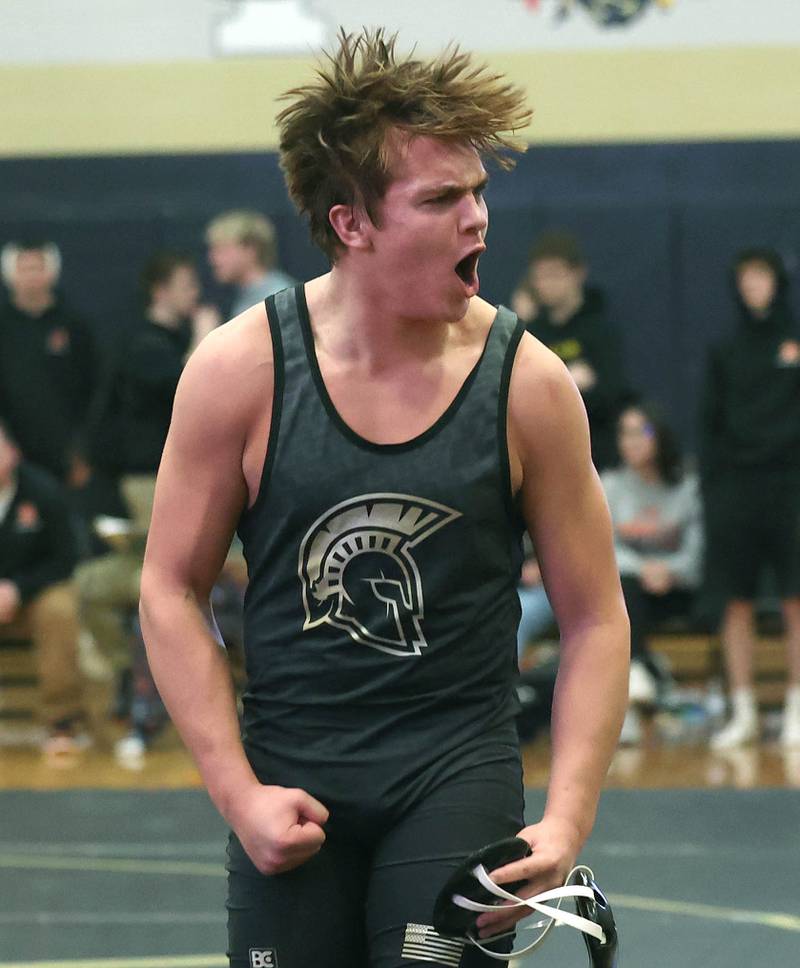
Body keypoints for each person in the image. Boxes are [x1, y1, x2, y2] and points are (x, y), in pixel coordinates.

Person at [140, 30, 629, 967]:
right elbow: (167, 589)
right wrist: (237, 793)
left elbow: (596, 617)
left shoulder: (525, 384)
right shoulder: (241, 373)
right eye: (442, 198)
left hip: (457, 768)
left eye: (479, 192)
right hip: (294, 772)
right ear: (351, 224)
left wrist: (567, 819)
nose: (479, 219)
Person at [77, 252, 219, 749]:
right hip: (148, 481)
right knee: (155, 583)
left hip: (178, 477)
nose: (193, 294)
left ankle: (162, 688)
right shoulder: (145, 343)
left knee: (189, 586)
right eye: (185, 285)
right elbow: (195, 381)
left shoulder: (170, 340)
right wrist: (206, 332)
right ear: (160, 290)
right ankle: (138, 686)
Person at [701, 247, 800, 749]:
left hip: (791, 488)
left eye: (761, 276)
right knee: (736, 602)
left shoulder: (795, 340)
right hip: (738, 490)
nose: (753, 285)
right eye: (745, 278)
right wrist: (717, 491)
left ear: (777, 281)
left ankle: (797, 709)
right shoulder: (726, 348)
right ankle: (742, 710)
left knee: (794, 599)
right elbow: (710, 425)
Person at [603, 403, 703, 743]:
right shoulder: (610, 486)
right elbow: (603, 550)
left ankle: (647, 671)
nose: (630, 441)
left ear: (660, 437)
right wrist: (645, 568)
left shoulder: (687, 485)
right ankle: (633, 692)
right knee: (622, 590)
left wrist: (669, 571)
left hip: (678, 590)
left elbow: (697, 554)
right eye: (624, 433)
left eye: (641, 432)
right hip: (632, 591)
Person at [0, 419, 89, 756]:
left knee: (60, 607)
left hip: (33, 594)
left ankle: (62, 719)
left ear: (13, 452)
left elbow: (66, 559)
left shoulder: (43, 491)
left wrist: (18, 589)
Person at [524, 232, 630, 470]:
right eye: (539, 277)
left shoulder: (601, 329)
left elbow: (613, 394)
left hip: (598, 454)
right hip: (548, 457)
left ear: (578, 273)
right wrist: (570, 381)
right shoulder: (531, 334)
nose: (546, 284)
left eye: (554, 274)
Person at [0, 240, 99, 485]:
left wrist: (84, 449)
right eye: (25, 268)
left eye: (38, 267)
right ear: (10, 275)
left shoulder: (74, 326)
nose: (32, 276)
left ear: (52, 272)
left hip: (67, 456)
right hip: (12, 454)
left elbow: (95, 390)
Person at [206, 210, 297, 317]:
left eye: (221, 250)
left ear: (250, 249)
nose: (212, 259)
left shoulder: (280, 298)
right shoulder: (246, 299)